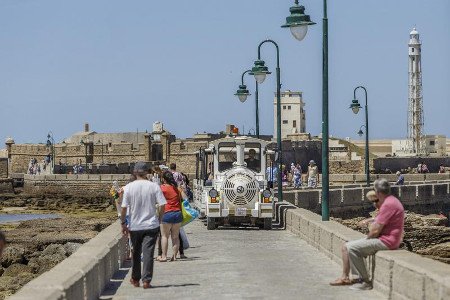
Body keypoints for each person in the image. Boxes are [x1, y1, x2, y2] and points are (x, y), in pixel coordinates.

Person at [330, 179, 404, 290]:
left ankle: (365, 281)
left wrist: (367, 239)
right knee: (346, 247)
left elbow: (375, 231)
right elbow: (379, 222)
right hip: (387, 239)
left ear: (377, 192)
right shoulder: (391, 201)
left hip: (388, 241)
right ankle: (348, 277)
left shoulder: (388, 205)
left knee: (352, 247)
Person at [120, 162, 166, 289]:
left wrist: (123, 223)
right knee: (148, 253)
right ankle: (146, 280)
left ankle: (135, 279)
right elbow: (162, 205)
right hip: (151, 225)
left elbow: (123, 208)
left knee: (135, 253)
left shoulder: (128, 187)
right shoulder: (154, 186)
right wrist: (160, 219)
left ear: (135, 172)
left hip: (135, 226)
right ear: (147, 172)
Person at [159, 171, 183, 262]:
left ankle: (164, 256)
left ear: (164, 179)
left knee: (164, 236)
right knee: (175, 237)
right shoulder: (176, 189)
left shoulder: (162, 188)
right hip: (177, 213)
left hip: (167, 213)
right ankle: (175, 256)